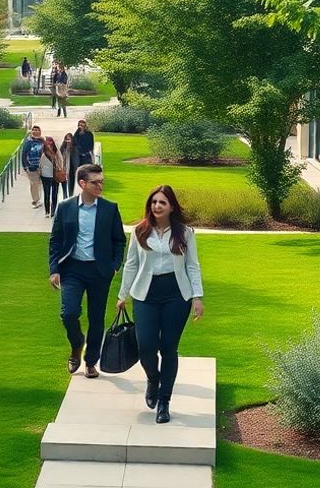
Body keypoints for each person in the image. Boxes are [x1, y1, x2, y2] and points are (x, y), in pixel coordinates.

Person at [115, 185, 204, 423]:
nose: (157, 206)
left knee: (168, 348)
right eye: (154, 202)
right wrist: (122, 295)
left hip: (176, 295)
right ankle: (152, 379)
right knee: (146, 347)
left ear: (171, 207)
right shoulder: (139, 231)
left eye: (162, 202)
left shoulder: (185, 233)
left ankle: (164, 401)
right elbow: (131, 264)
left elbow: (192, 266)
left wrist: (197, 297)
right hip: (146, 295)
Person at [49, 164, 127, 378]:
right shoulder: (65, 207)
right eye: (95, 182)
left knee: (96, 318)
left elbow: (119, 240)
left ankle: (91, 362)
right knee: (69, 313)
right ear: (82, 183)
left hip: (100, 271)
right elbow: (55, 240)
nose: (100, 185)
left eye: (102, 181)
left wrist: (115, 266)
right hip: (72, 269)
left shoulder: (110, 208)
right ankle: (76, 345)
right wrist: (54, 269)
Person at [39, 136, 62, 217]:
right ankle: (47, 211)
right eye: (47, 141)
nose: (49, 143)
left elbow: (60, 161)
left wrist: (59, 169)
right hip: (45, 176)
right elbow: (40, 164)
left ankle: (54, 210)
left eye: (50, 141)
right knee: (47, 194)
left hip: (55, 175)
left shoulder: (56, 152)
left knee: (54, 194)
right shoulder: (42, 152)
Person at [23, 125, 45, 208]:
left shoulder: (42, 141)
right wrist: (25, 166)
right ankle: (35, 200)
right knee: (34, 183)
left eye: (37, 130)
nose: (35, 131)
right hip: (31, 166)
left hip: (41, 166)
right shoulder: (28, 142)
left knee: (39, 183)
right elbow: (24, 154)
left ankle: (38, 199)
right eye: (33, 130)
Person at [73, 119, 96, 186]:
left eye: (82, 124)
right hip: (79, 156)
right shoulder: (77, 133)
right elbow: (74, 143)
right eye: (79, 124)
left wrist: (91, 154)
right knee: (80, 171)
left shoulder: (89, 134)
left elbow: (91, 146)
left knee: (88, 170)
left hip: (86, 155)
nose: (81, 126)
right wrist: (78, 132)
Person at [58, 133, 75, 199]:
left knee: (71, 186)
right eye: (66, 139)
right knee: (64, 185)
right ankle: (65, 197)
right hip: (63, 170)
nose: (67, 141)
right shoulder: (63, 148)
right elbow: (59, 157)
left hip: (71, 170)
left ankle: (71, 197)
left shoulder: (74, 149)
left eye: (69, 139)